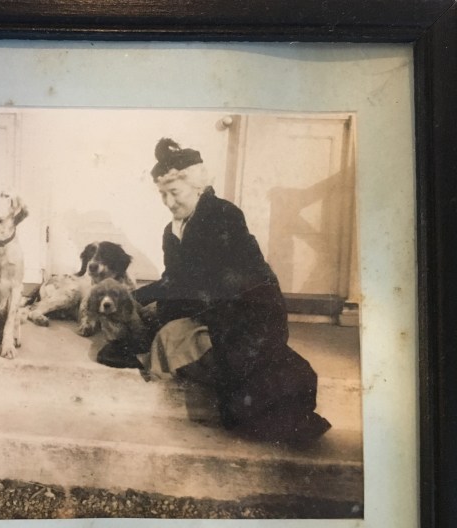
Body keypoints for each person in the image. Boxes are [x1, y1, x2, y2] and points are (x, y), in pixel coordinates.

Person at [103, 137, 331, 445]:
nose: (169, 202)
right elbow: (174, 280)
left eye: (174, 192)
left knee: (184, 343)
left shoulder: (223, 215)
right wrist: (134, 299)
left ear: (197, 187)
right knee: (148, 336)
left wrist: (159, 306)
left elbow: (213, 282)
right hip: (208, 307)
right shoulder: (172, 230)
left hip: (248, 310)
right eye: (162, 194)